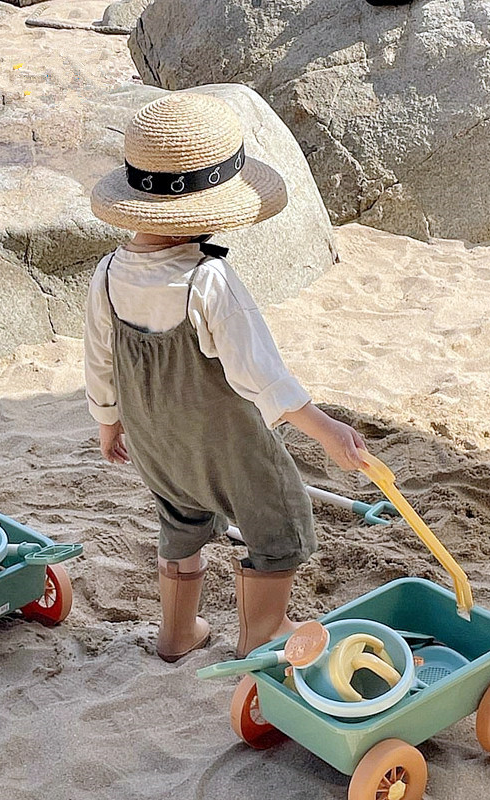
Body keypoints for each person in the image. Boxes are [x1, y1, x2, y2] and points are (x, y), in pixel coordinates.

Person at [85, 92, 367, 662]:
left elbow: (100, 359)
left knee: (181, 516)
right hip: (226, 445)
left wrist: (108, 423)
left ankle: (176, 633)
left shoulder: (108, 273)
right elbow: (262, 376)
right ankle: (261, 632)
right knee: (278, 519)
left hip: (156, 441)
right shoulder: (208, 281)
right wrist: (326, 428)